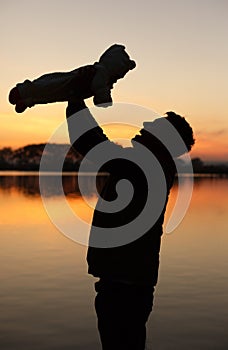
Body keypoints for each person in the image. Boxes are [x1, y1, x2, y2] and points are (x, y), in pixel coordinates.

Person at [66, 100, 195, 350]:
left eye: (154, 126)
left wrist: (75, 100)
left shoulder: (146, 167)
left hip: (123, 289)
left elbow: (92, 146)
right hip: (127, 285)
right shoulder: (149, 165)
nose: (145, 124)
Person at [8, 44, 136, 113]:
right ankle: (24, 92)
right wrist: (106, 97)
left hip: (71, 87)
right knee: (50, 89)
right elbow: (102, 100)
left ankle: (26, 96)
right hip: (71, 88)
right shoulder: (101, 75)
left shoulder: (99, 71)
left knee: (51, 86)